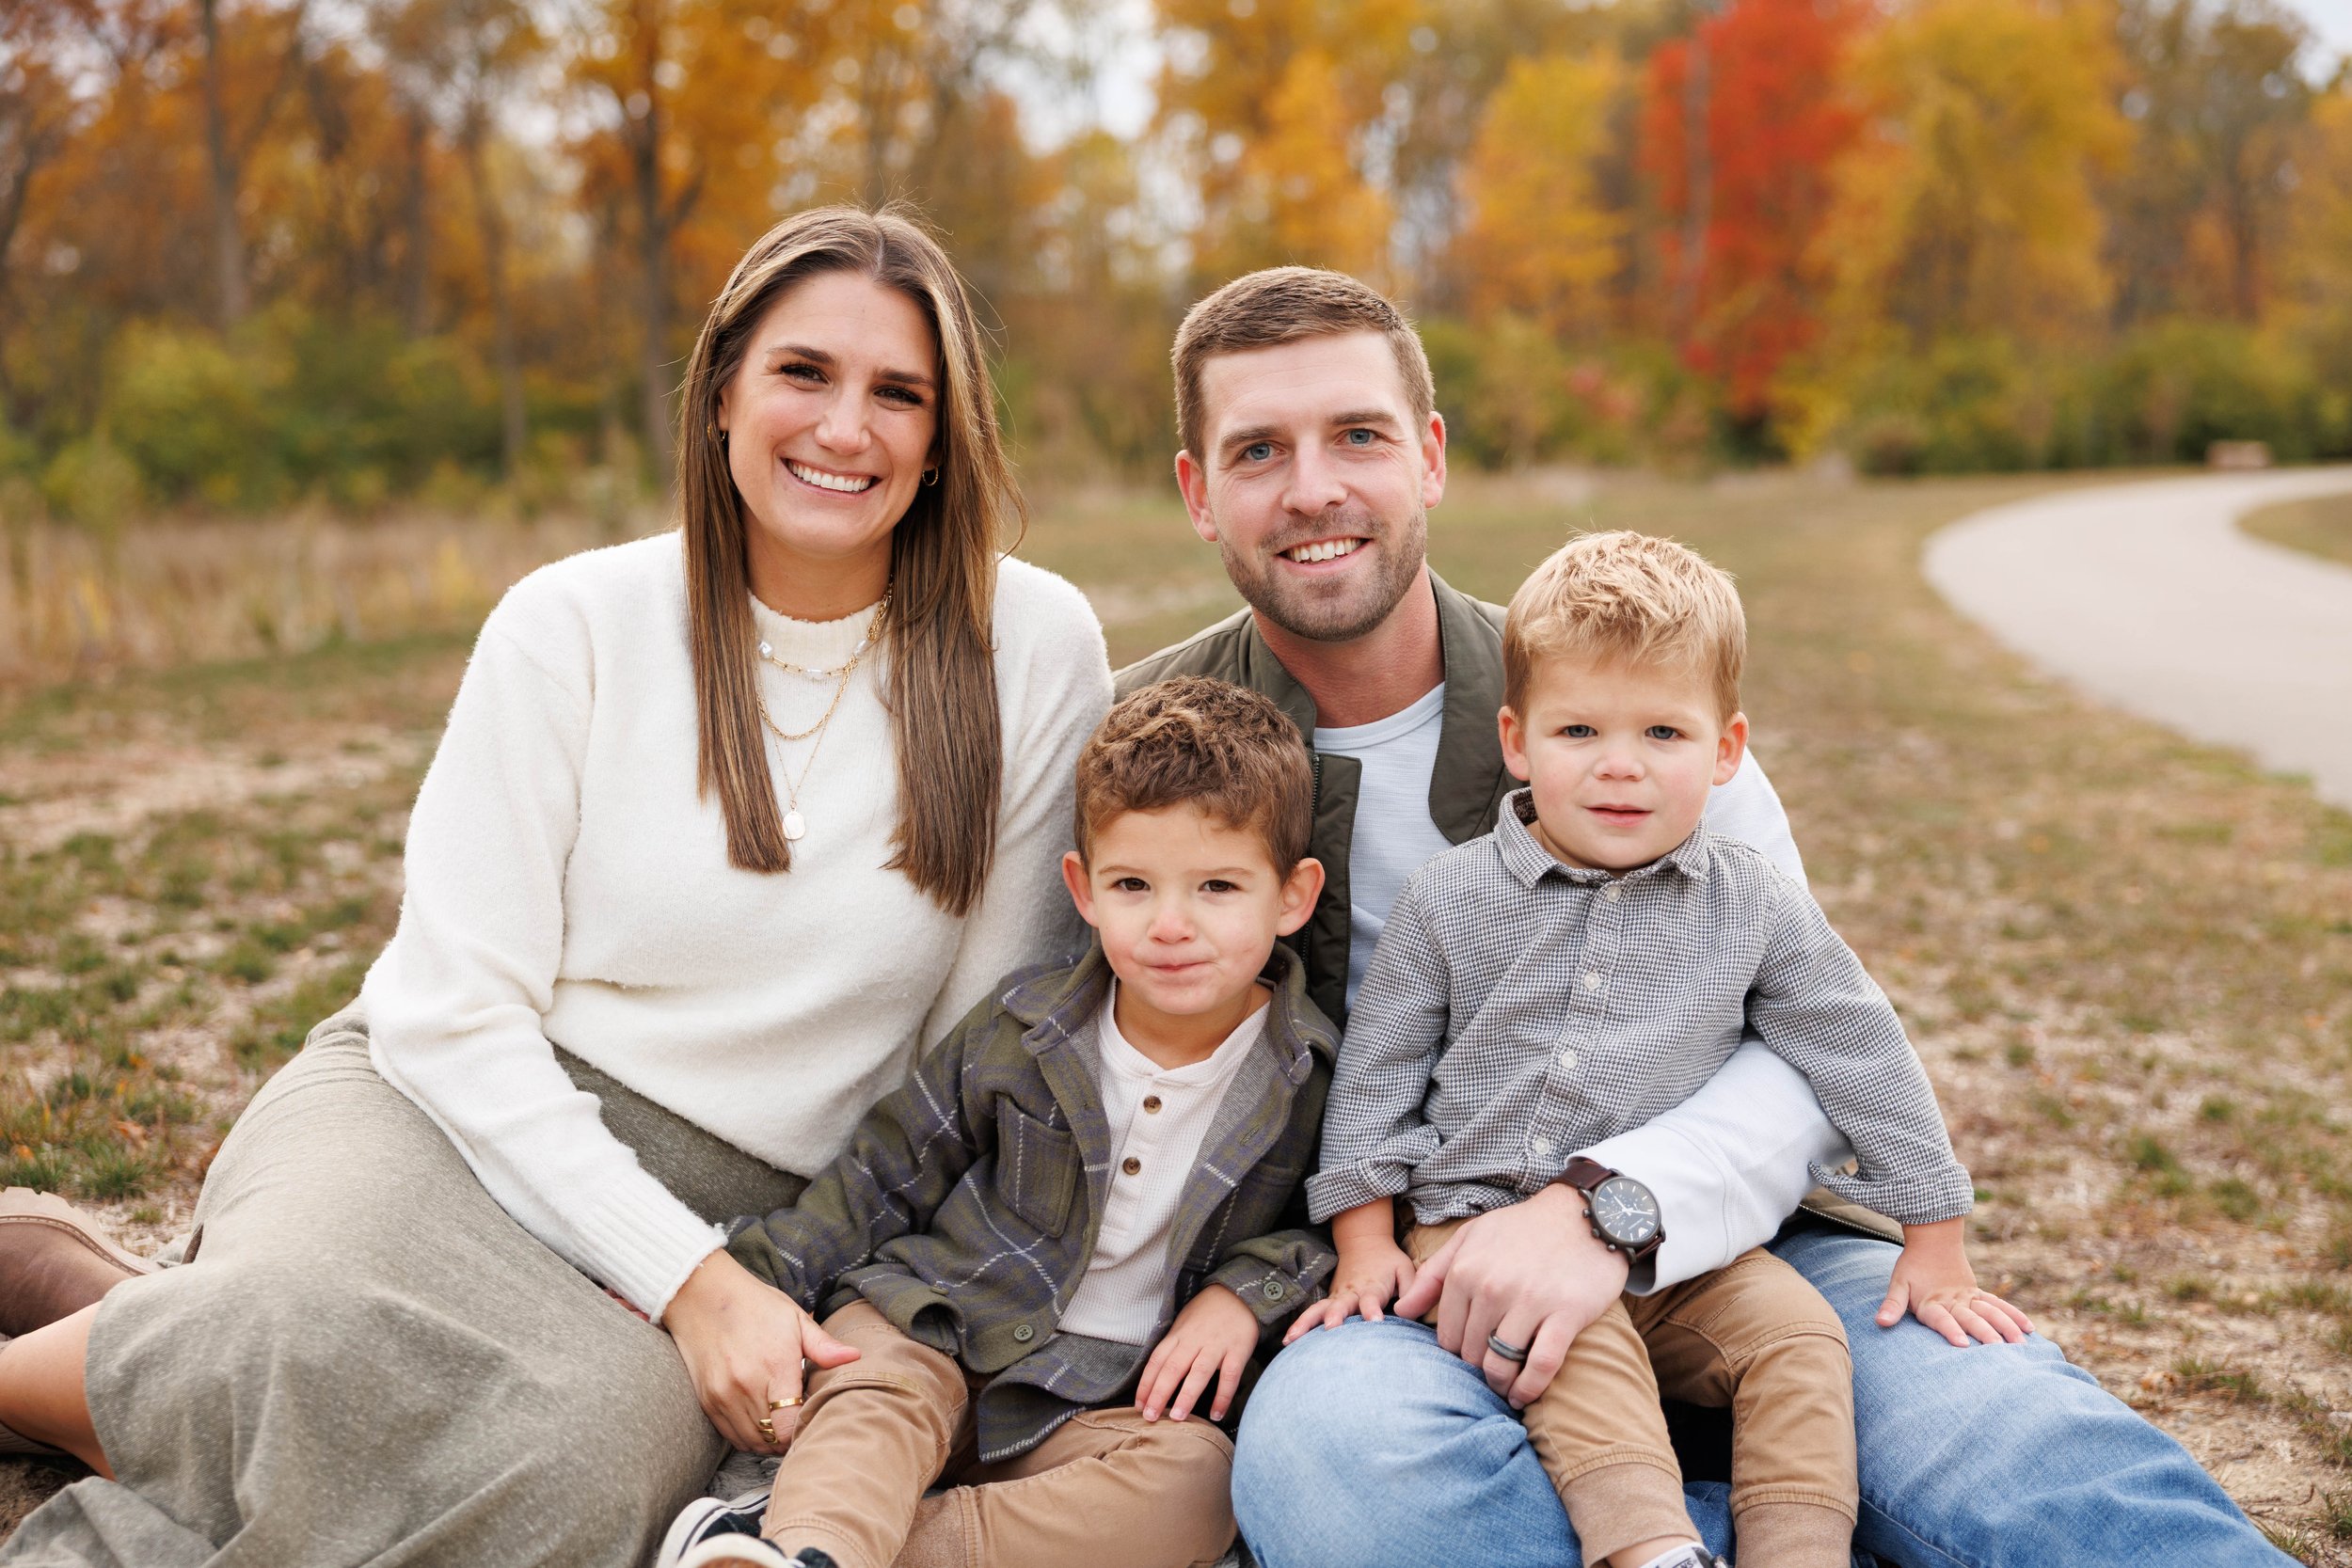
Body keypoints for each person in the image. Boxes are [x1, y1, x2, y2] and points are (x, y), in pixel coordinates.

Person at [1117, 264, 2296, 1568]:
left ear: (1431, 457)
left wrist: (1604, 1209)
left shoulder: (1627, 689)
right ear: (1197, 491)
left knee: (2028, 1445)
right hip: (1406, 1277)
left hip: (1743, 1239)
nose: (1314, 487)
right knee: (1339, 1480)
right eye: (1259, 450)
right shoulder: (1137, 745)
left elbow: (1809, 1036)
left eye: (1358, 434)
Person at [0, 206, 1114, 1567]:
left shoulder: (1030, 648)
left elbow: (976, 1050)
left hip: (765, 1201)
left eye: (900, 393)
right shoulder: (572, 621)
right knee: (297, 1323)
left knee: (567, 1481)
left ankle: (93, 1310)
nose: (847, 428)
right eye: (803, 373)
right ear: (720, 395)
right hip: (451, 1110)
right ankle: (55, 1375)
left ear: (944, 438)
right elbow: (454, 1008)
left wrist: (757, 1271)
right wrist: (682, 1283)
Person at [1295, 531, 2032, 1568]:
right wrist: (1367, 1239)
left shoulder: (1753, 902)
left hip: (1683, 1251)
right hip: (1476, 1227)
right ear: (1516, 738)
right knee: (1570, 1346)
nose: (1619, 763)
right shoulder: (1449, 899)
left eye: (1662, 732)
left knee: (1800, 1336)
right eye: (1579, 728)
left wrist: (1934, 1231)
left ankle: (1796, 1549)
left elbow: (1858, 1047)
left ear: (1725, 749)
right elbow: (1376, 1077)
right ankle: (1651, 1551)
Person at [652, 676, 1337, 1568]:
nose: (1172, 924)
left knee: (1199, 1481)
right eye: (1134, 884)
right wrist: (750, 1282)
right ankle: (819, 1547)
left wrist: (1242, 1296)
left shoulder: (1310, 1070)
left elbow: (1331, 1227)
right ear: (1083, 890)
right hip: (936, 1317)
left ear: (1291, 896)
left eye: (1216, 886)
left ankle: (795, 1544)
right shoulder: (1025, 1025)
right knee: (875, 1388)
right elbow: (885, 1170)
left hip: (1094, 1394)